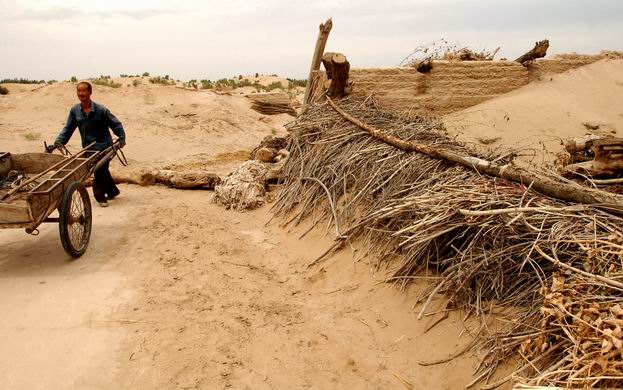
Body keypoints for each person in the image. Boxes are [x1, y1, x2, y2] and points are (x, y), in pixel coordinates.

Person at [51, 81, 126, 207]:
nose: (81, 93)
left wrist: (122, 137)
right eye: (79, 91)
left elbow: (116, 124)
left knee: (99, 170)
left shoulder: (101, 110)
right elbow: (68, 128)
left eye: (84, 90)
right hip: (88, 148)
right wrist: (59, 141)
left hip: (104, 146)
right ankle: (113, 191)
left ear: (90, 92)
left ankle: (100, 197)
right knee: (103, 170)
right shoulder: (75, 111)